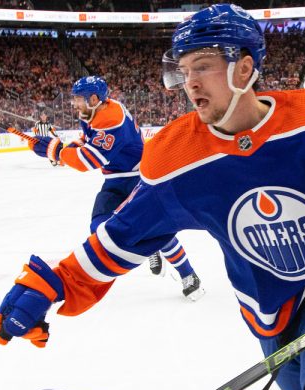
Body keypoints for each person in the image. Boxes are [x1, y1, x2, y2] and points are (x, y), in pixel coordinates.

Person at [0, 4, 305, 390]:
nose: (190, 81)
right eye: (183, 69)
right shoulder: (176, 157)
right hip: (269, 313)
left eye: (203, 66)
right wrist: (56, 283)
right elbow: (121, 237)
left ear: (245, 68)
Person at [26, 75, 203, 300]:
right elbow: (86, 140)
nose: (75, 104)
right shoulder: (94, 112)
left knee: (159, 231)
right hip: (116, 180)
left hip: (140, 178)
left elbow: (89, 160)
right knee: (99, 228)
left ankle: (188, 274)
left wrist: (56, 151)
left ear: (93, 98)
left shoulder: (111, 118)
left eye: (78, 99)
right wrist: (61, 148)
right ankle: (148, 245)